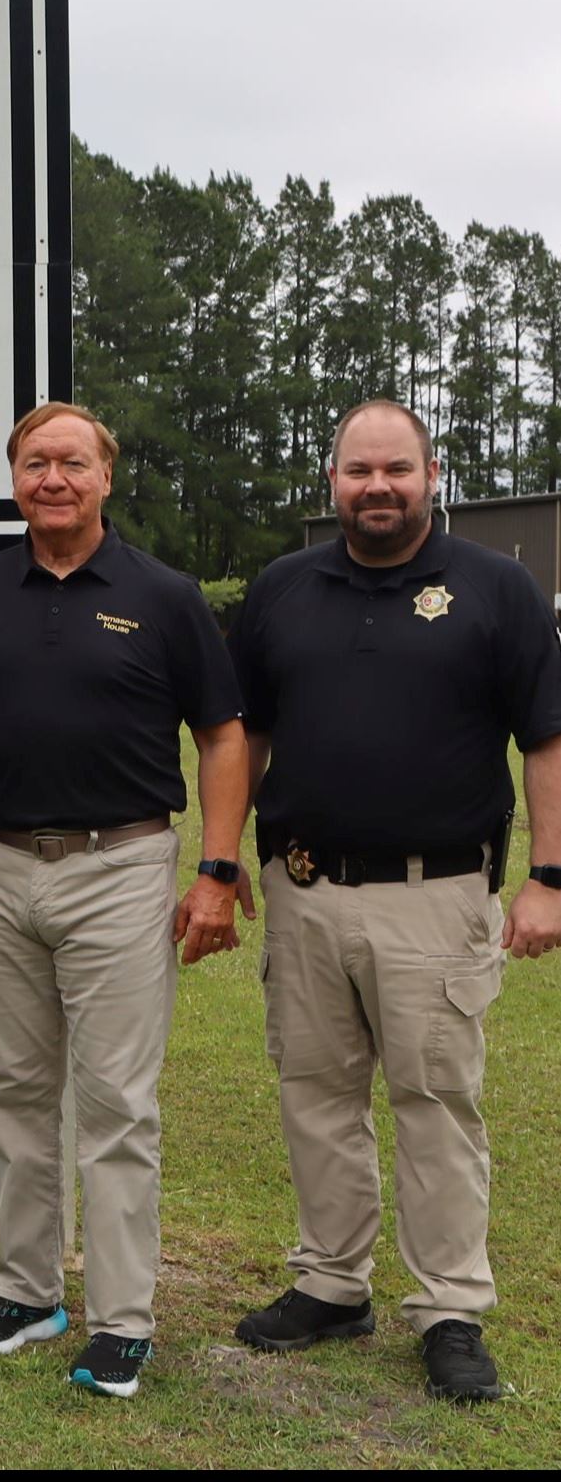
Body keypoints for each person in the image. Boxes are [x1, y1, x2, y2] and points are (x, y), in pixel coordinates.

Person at [229, 399, 561, 1404]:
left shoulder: (496, 589)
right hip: (302, 890)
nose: (376, 487)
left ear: (430, 475)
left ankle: (448, 1310)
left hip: (435, 894)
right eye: (356, 471)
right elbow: (242, 733)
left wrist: (548, 876)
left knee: (433, 1105)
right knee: (315, 1097)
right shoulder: (281, 590)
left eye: (395, 470)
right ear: (329, 480)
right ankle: (330, 1284)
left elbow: (543, 737)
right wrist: (215, 857)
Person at [0, 402, 248, 1399]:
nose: (51, 477)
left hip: (120, 868)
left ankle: (119, 1320)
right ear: (13, 476)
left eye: (70, 461)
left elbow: (223, 734)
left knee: (113, 1102)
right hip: (2, 862)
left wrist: (215, 869)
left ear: (105, 474)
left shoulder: (162, 594)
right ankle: (26, 1291)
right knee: (13, 1088)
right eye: (33, 462)